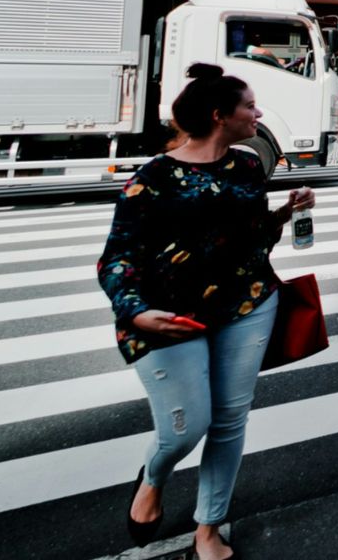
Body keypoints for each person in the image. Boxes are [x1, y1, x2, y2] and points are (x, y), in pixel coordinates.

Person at [102, 64, 314, 560]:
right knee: (185, 427)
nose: (257, 113)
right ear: (221, 115)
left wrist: (285, 213)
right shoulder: (153, 177)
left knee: (229, 419)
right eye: (249, 106)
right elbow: (118, 256)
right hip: (169, 316)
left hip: (247, 304)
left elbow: (252, 237)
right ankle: (154, 475)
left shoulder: (245, 166)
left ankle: (209, 527)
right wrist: (135, 313)